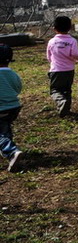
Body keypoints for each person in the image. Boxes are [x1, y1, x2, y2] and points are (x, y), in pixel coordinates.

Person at [46, 15, 78, 117]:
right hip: (69, 70)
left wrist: (52, 62)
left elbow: (49, 56)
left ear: (54, 29)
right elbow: (75, 53)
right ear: (70, 27)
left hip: (56, 70)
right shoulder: (72, 41)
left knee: (55, 90)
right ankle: (65, 110)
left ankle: (61, 102)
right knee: (67, 89)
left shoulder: (52, 41)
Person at [0, 44, 24, 172]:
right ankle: (7, 146)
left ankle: (11, 151)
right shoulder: (13, 74)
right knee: (3, 128)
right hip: (13, 108)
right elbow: (18, 88)